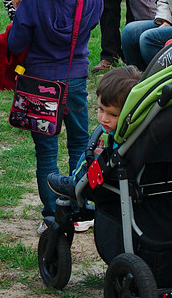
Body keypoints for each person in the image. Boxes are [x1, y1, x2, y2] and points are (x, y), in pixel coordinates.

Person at [7, 0, 104, 230]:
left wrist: (17, 13)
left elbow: (14, 44)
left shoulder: (33, 0)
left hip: (39, 84)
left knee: (46, 151)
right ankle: (80, 208)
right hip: (75, 79)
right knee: (80, 143)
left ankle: (52, 215)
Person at [48, 65, 144, 199]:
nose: (104, 119)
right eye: (101, 109)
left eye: (113, 115)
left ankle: (75, 183)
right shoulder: (136, 127)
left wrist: (103, 156)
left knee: (88, 155)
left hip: (117, 176)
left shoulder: (129, 136)